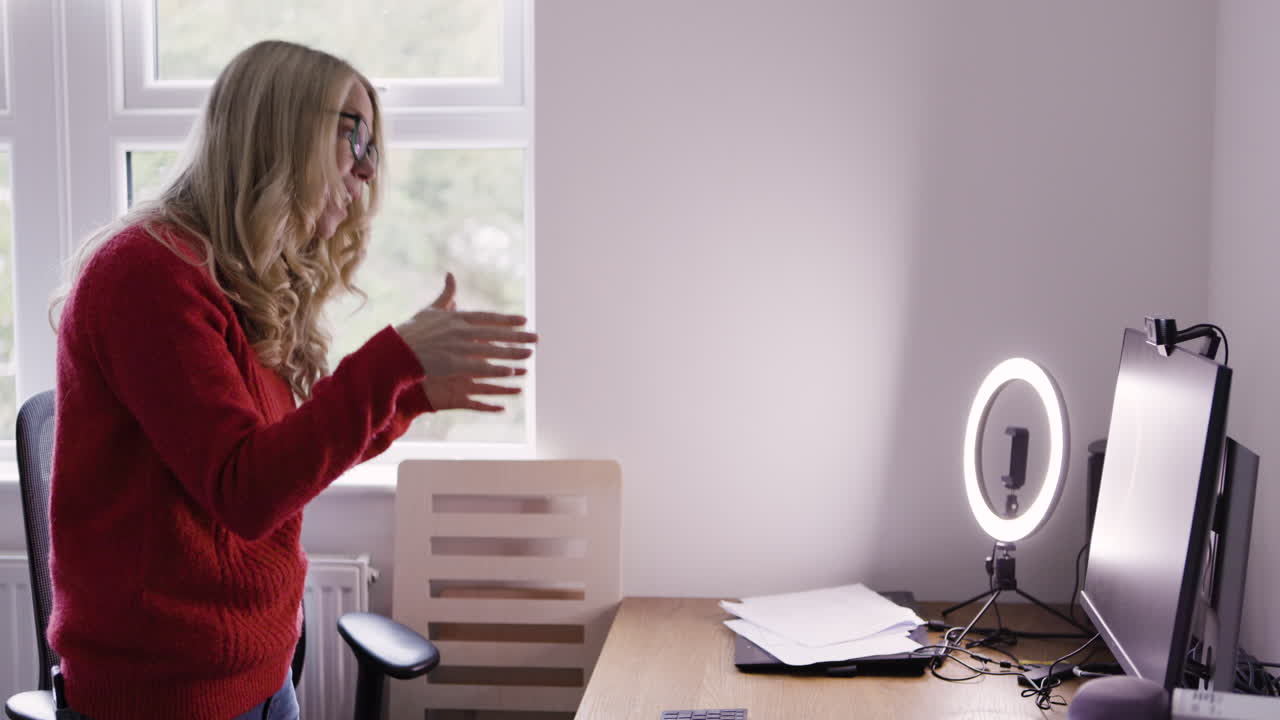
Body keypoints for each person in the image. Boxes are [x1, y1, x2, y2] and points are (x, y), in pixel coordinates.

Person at [45, 40, 536, 720]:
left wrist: (408, 397)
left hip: (260, 677)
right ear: (281, 131)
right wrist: (389, 360)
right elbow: (246, 492)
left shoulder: (233, 278)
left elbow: (288, 456)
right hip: (168, 699)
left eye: (372, 149)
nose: (366, 171)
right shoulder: (146, 276)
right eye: (352, 136)